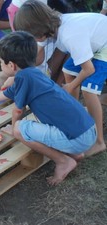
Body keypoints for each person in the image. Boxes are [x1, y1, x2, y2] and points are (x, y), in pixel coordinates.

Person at [0, 31, 96, 185]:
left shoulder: (22, 78)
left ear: (11, 65)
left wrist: (15, 129)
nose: (1, 65)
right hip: (88, 131)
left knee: (21, 128)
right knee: (31, 125)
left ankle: (63, 161)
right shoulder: (34, 73)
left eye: (1, 62)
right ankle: (74, 153)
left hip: (77, 138)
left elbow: (18, 110)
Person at [13, 0, 107, 157]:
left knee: (88, 89)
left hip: (105, 46)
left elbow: (89, 69)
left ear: (41, 33)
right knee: (68, 70)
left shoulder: (69, 34)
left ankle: (99, 142)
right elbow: (53, 61)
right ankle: (75, 115)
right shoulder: (58, 27)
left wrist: (71, 86)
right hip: (97, 42)